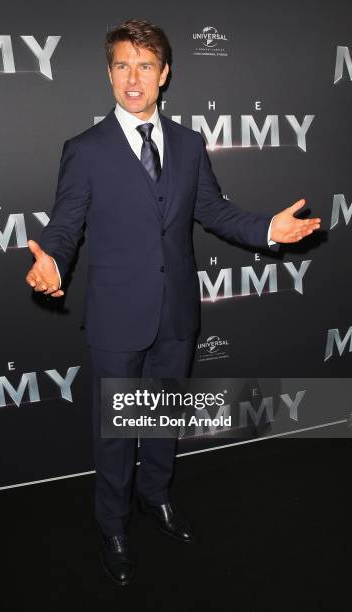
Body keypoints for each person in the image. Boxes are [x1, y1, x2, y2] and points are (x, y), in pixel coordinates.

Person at [25, 19, 321, 586]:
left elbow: (213, 210)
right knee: (116, 430)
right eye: (121, 66)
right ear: (108, 74)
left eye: (144, 66)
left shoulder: (188, 144)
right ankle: (111, 524)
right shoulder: (84, 151)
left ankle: (155, 497)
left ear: (164, 75)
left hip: (177, 312)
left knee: (162, 422)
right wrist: (52, 262)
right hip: (117, 316)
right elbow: (64, 227)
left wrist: (266, 231)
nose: (132, 78)